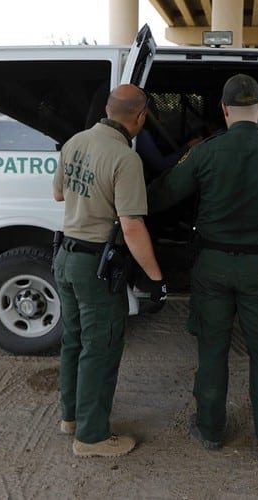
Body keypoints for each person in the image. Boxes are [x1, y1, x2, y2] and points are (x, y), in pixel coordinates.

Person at [147, 74, 258, 463]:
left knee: (212, 350)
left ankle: (210, 430)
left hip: (211, 266)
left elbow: (162, 195)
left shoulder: (206, 152)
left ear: (224, 109)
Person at [53, 84, 167, 458]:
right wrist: (155, 278)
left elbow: (58, 194)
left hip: (65, 258)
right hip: (94, 266)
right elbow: (131, 225)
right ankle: (91, 437)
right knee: (100, 350)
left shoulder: (74, 142)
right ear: (140, 117)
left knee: (74, 341)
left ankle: (71, 417)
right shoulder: (124, 157)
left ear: (106, 108)